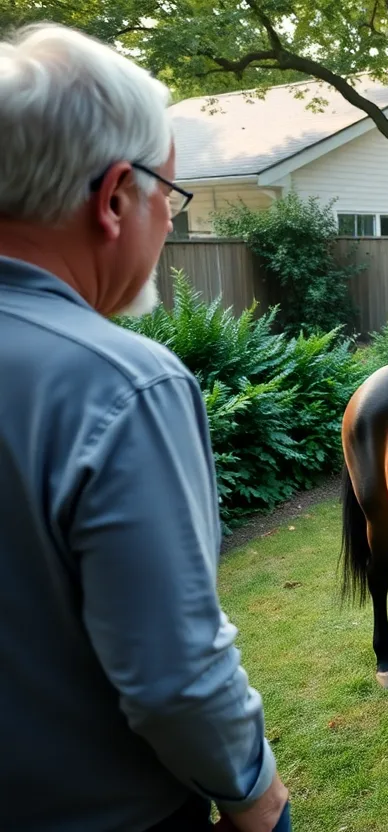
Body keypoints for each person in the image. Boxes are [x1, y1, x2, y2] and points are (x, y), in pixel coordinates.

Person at [0, 23, 290, 832]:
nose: (169, 223)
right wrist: (256, 795)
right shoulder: (122, 386)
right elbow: (177, 680)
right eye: (172, 194)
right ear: (115, 196)